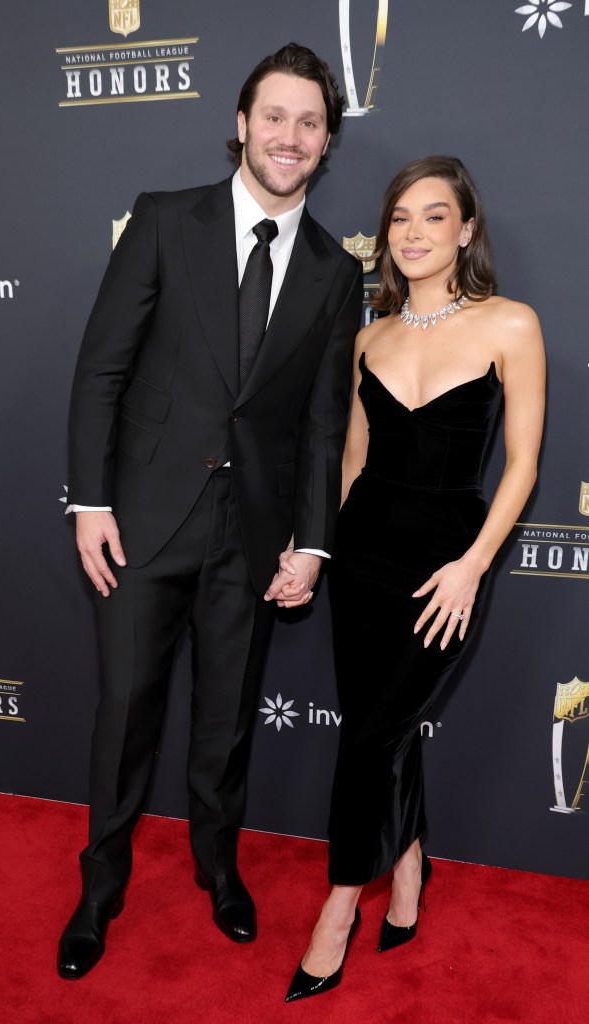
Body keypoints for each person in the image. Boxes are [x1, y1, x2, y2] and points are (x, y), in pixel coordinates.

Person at [57, 42, 364, 980]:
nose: (289, 136)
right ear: (240, 124)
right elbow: (101, 369)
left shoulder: (331, 270)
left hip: (253, 537)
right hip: (142, 522)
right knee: (125, 715)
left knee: (226, 722)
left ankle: (217, 868)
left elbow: (320, 428)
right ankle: (99, 888)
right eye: (274, 116)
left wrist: (311, 543)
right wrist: (91, 500)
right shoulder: (160, 220)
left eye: (309, 122)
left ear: (324, 145)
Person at [282, 155, 545, 1002]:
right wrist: (314, 549)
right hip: (361, 558)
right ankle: (408, 869)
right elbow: (353, 463)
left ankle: (335, 908)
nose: (413, 233)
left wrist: (472, 566)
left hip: (446, 564)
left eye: (433, 216)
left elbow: (523, 467)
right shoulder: (370, 336)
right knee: (376, 727)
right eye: (399, 218)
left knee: (372, 733)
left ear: (465, 229)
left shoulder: (510, 324)